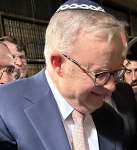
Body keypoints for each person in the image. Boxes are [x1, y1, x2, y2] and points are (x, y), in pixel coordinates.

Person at [0, 0, 128, 149]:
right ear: (58, 64)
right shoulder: (5, 108)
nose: (112, 87)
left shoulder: (112, 119)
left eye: (116, 72)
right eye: (100, 74)